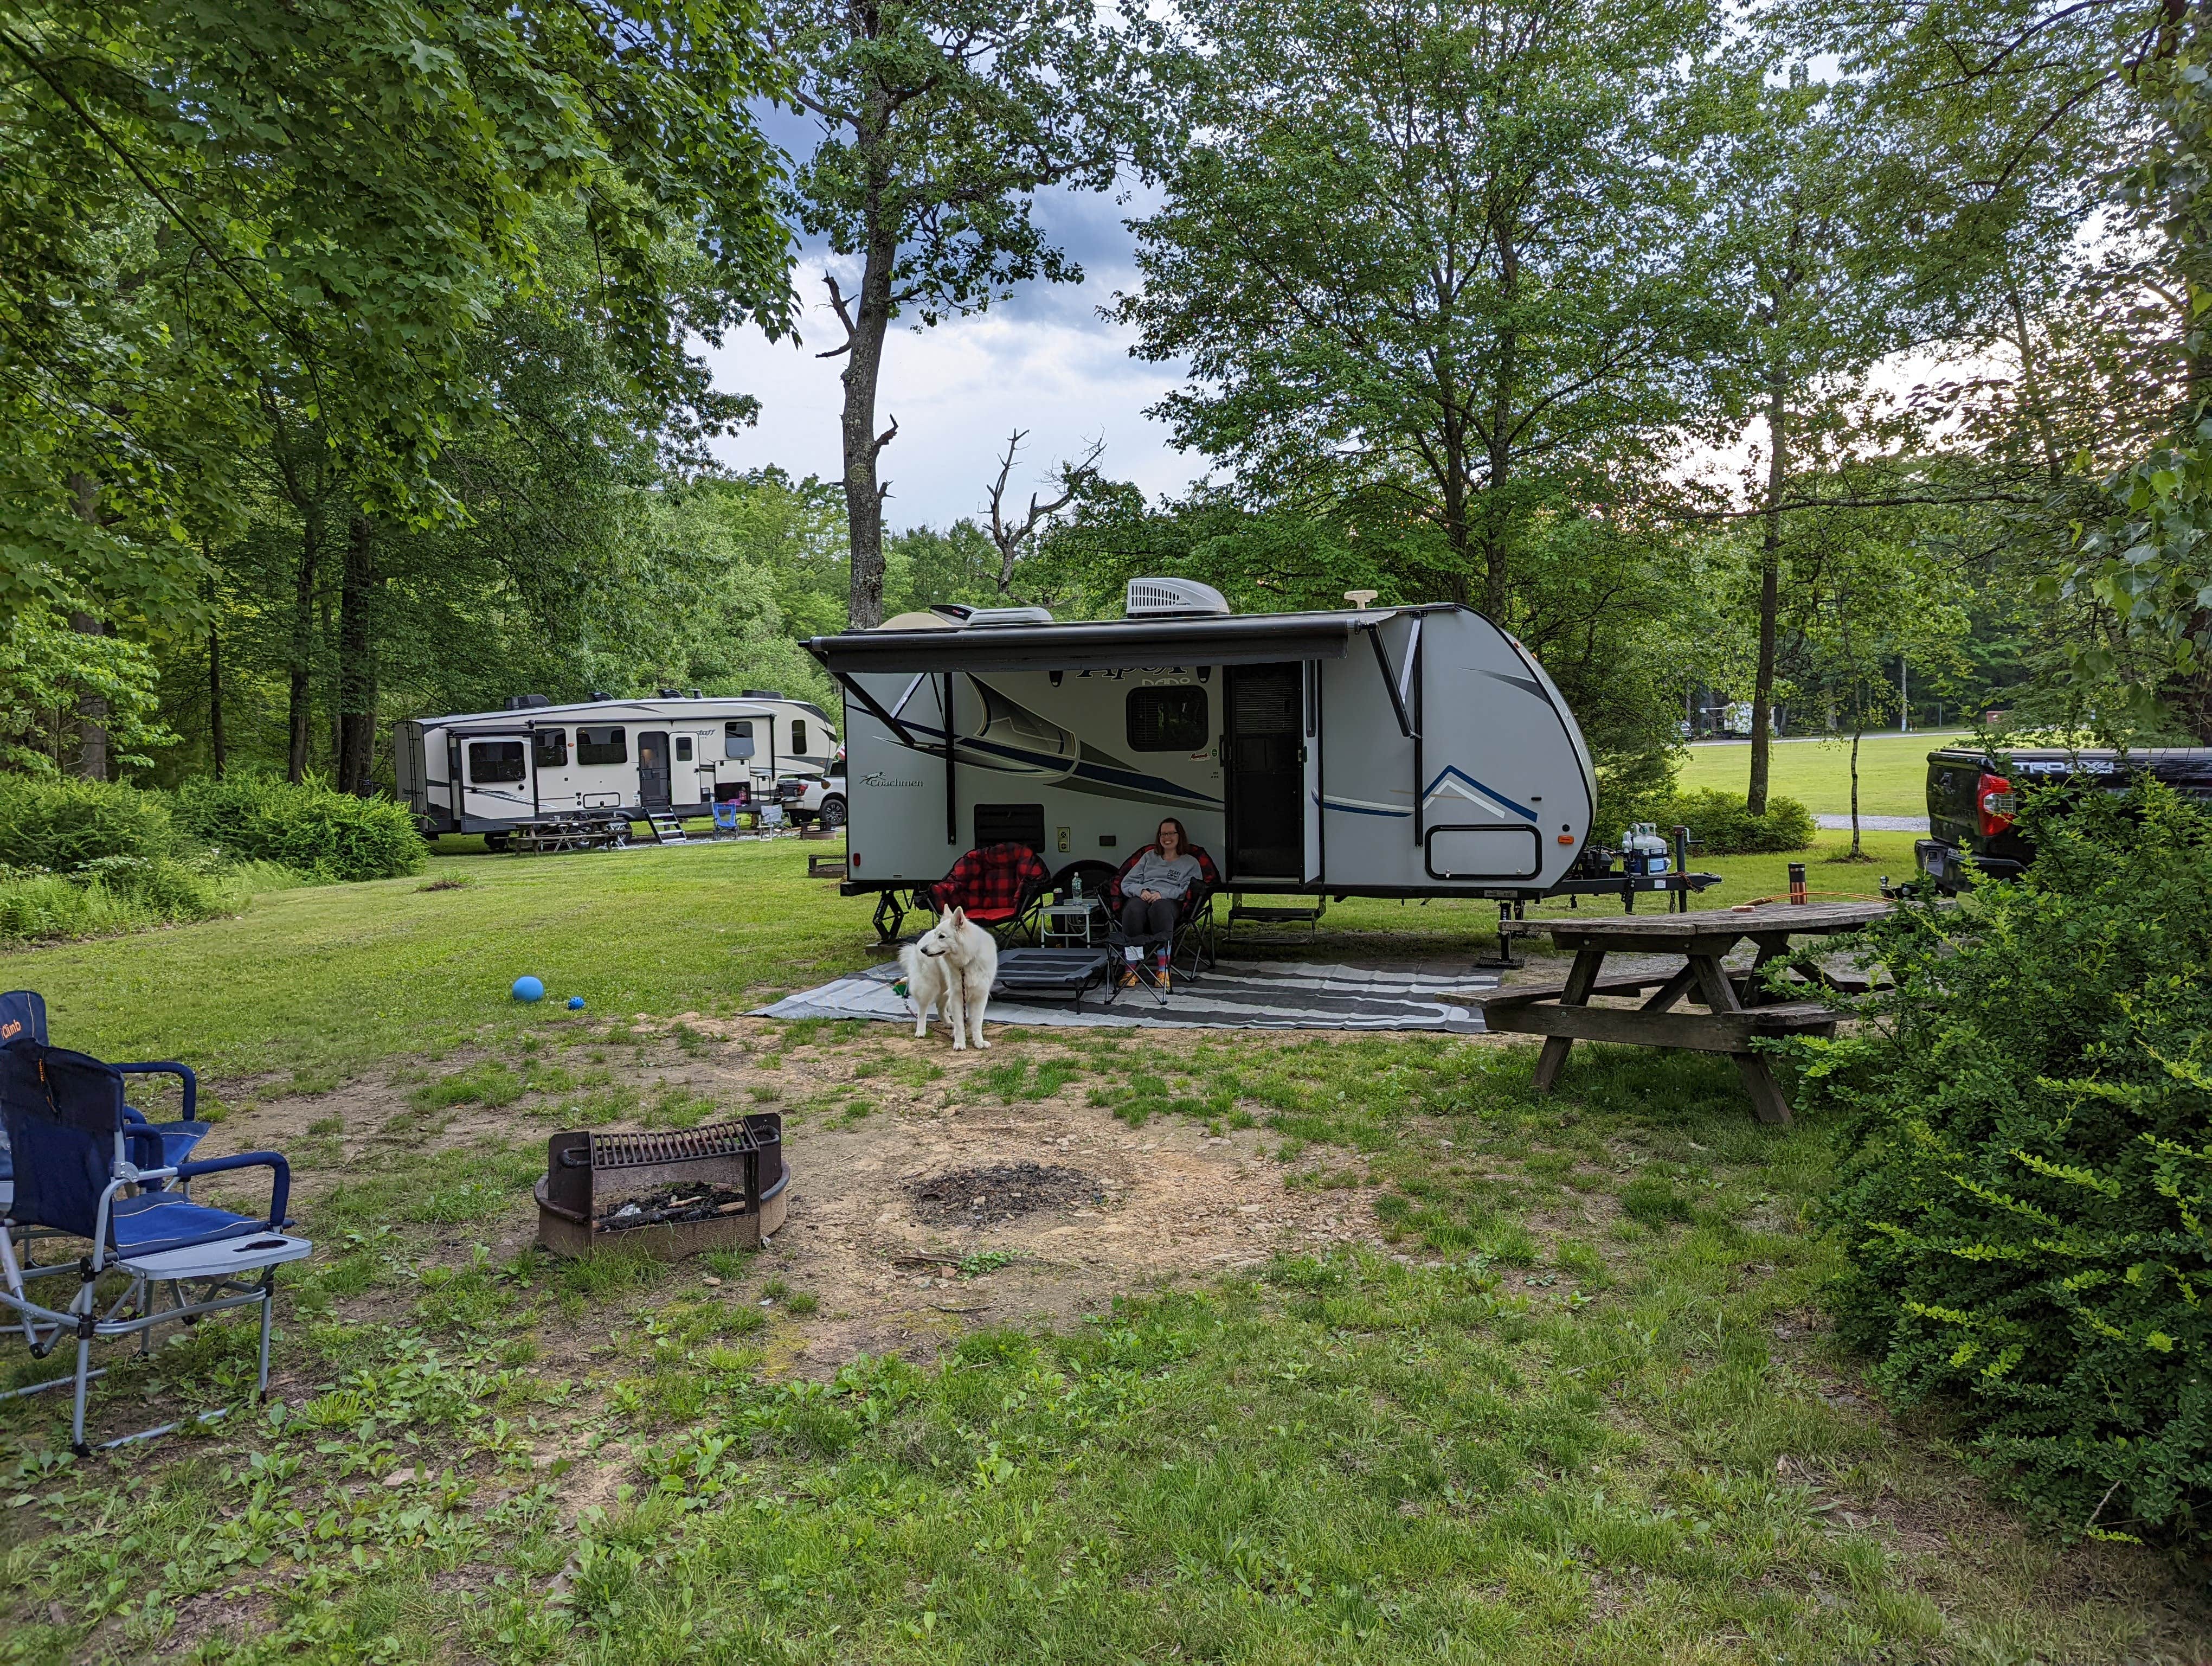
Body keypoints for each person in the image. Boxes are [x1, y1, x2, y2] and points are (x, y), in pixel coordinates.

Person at [1117, 818, 1203, 950]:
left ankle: (1163, 964)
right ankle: (1132, 962)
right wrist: (1141, 891)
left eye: (1171, 833)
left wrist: (1162, 895)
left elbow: (1187, 889)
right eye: (1163, 834)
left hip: (1170, 900)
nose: (1167, 837)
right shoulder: (1149, 857)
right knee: (1133, 908)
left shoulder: (1190, 863)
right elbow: (1127, 882)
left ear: (1180, 836)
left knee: (1160, 908)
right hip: (1145, 896)